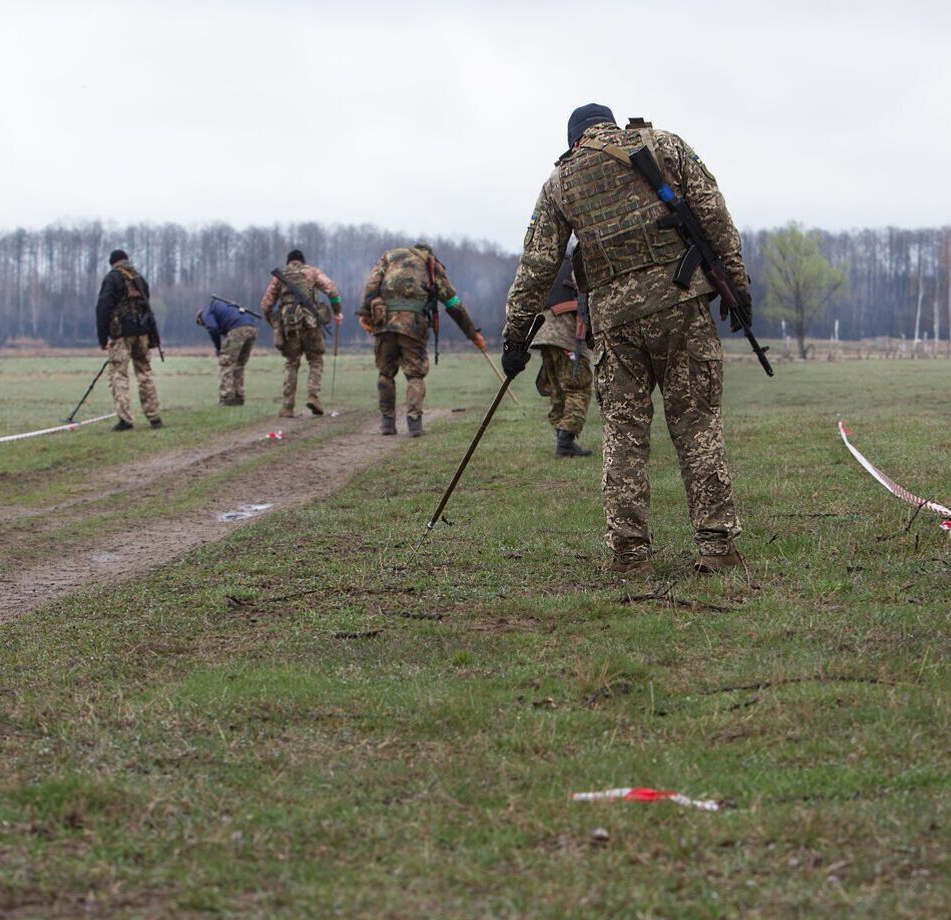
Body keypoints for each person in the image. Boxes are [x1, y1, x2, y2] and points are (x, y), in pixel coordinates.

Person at [501, 105, 748, 575]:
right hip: (682, 310)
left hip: (615, 324)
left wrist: (515, 334)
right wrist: (737, 286)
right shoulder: (664, 144)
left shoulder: (560, 183)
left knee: (625, 436)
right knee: (698, 428)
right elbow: (714, 213)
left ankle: (630, 554)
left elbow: (537, 264)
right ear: (611, 125)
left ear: (574, 140)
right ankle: (716, 548)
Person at [357, 243, 486, 437]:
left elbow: (371, 285)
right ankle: (414, 423)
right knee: (415, 375)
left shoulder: (389, 256)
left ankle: (387, 423)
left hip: (384, 323)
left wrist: (365, 312)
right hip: (413, 325)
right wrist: (472, 334)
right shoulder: (431, 265)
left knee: (385, 373)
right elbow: (452, 303)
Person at [260, 249, 343, 418]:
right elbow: (332, 291)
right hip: (311, 324)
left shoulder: (279, 277)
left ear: (288, 262)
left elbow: (266, 305)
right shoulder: (312, 272)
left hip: (289, 327)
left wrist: (275, 324)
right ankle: (313, 396)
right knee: (315, 360)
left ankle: (287, 406)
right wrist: (337, 311)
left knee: (291, 363)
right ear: (302, 261)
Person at [531, 256, 593, 457]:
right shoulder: (578, 262)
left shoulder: (552, 264)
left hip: (542, 329)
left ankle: (563, 438)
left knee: (558, 387)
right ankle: (565, 443)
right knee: (578, 386)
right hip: (564, 330)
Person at [95, 248, 163, 431]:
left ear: (112, 263)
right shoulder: (139, 278)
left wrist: (102, 339)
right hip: (142, 333)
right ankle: (154, 417)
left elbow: (103, 308)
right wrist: (151, 338)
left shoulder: (112, 278)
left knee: (119, 374)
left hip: (122, 334)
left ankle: (125, 420)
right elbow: (147, 307)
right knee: (145, 373)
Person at [196, 297, 261, 406]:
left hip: (238, 328)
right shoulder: (224, 307)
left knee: (225, 363)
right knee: (239, 364)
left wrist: (218, 348)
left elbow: (212, 328)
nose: (203, 325)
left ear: (199, 318)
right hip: (252, 328)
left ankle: (227, 397)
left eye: (201, 324)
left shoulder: (206, 312)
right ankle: (239, 397)